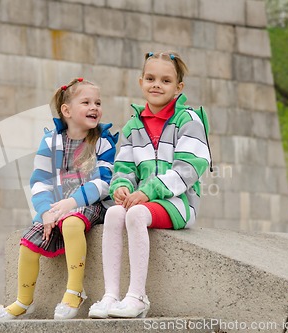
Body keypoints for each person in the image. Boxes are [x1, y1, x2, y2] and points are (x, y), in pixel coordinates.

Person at [88, 51, 211, 319]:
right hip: (143, 199)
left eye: (166, 81)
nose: (157, 84)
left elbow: (190, 168)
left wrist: (148, 191)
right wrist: (121, 186)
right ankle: (110, 295)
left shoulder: (189, 120)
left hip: (179, 203)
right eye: (151, 78)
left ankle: (137, 296)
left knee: (136, 213)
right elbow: (124, 167)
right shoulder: (134, 125)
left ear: (178, 87)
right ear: (141, 81)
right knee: (113, 212)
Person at [0, 78, 118, 320]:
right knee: (29, 240)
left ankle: (74, 291)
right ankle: (24, 301)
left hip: (92, 206)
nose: (95, 107)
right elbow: (39, 181)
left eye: (98, 102)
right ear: (67, 110)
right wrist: (45, 212)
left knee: (71, 222)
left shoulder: (102, 140)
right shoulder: (51, 141)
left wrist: (72, 203)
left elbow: (105, 180)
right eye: (86, 102)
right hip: (57, 210)